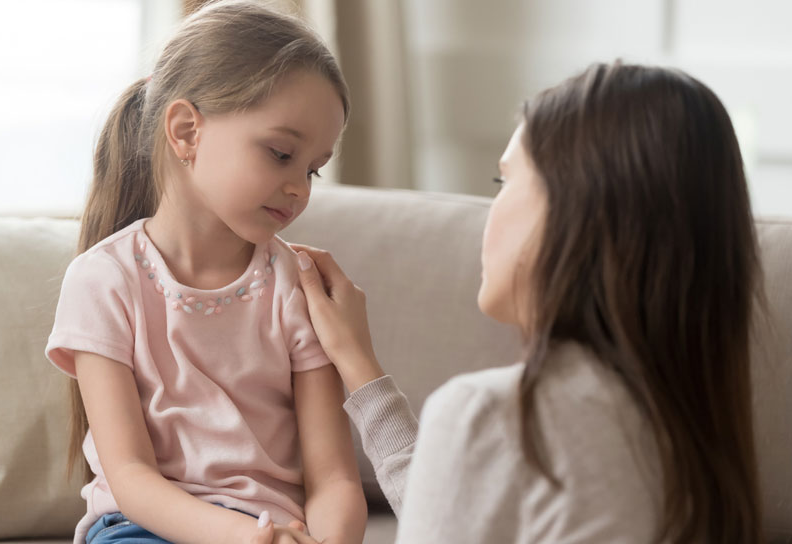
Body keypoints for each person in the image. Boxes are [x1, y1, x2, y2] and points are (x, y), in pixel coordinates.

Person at [251, 61, 764, 543]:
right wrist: (361, 368)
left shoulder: (493, 414)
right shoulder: (692, 431)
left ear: (575, 213)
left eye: (506, 181)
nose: (489, 212)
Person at [44, 2, 366, 543]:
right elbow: (131, 477)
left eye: (313, 168)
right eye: (281, 153)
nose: (300, 188)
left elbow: (333, 476)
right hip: (138, 528)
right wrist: (240, 538)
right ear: (187, 131)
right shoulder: (102, 281)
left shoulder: (296, 284)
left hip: (275, 529)